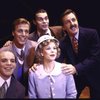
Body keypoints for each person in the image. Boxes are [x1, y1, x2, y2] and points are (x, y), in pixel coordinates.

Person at [57, 9, 100, 99]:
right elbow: (57, 60)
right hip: (77, 77)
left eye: (73, 20)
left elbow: (95, 58)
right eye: (68, 22)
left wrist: (76, 68)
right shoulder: (62, 43)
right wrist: (40, 66)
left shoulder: (92, 34)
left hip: (94, 74)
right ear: (64, 27)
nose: (72, 23)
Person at [0, 18, 37, 96]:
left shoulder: (36, 47)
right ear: (13, 33)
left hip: (32, 93)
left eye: (26, 31)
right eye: (20, 31)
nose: (23, 34)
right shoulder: (3, 51)